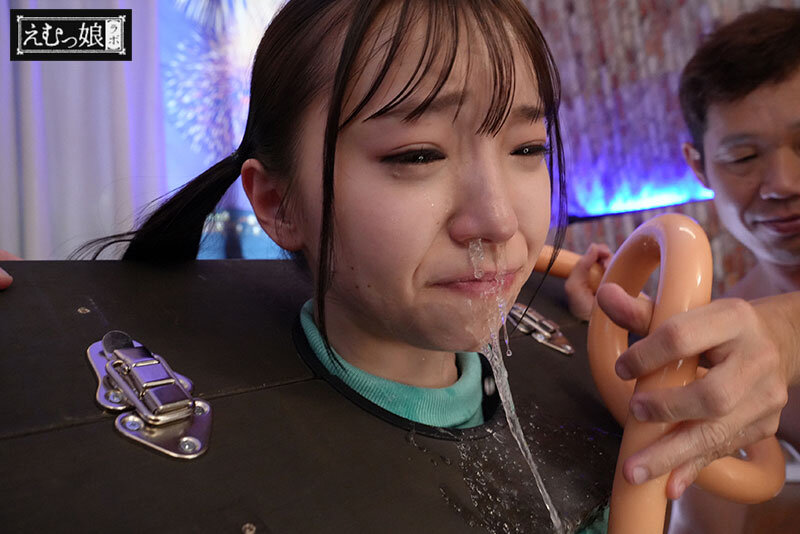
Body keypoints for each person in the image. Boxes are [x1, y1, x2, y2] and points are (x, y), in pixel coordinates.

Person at [565, 6, 800, 532]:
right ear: (700, 167)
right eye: (744, 157)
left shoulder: (752, 333)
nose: (783, 183)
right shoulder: (724, 341)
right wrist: (590, 333)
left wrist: (787, 334)